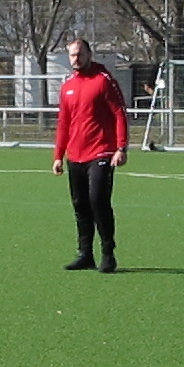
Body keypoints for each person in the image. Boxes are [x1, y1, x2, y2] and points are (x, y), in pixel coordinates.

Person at [52, 37, 130, 273]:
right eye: (72, 55)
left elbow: (119, 113)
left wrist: (121, 148)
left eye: (80, 54)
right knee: (80, 205)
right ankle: (85, 254)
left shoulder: (103, 80)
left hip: (101, 152)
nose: (76, 59)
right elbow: (64, 123)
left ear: (89, 55)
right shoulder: (67, 86)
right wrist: (58, 155)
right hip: (75, 155)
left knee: (98, 201)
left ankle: (108, 253)